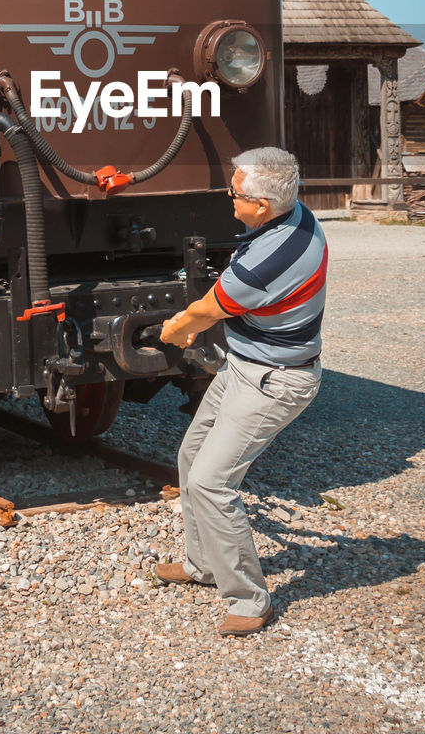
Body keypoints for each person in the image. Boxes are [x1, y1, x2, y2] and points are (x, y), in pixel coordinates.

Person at [157, 146, 327, 637]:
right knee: (191, 457)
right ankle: (201, 564)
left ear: (258, 206)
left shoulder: (265, 264)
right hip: (247, 366)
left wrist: (175, 329)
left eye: (233, 192)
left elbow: (205, 311)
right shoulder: (296, 216)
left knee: (212, 482)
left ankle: (250, 600)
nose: (227, 196)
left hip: (274, 382)